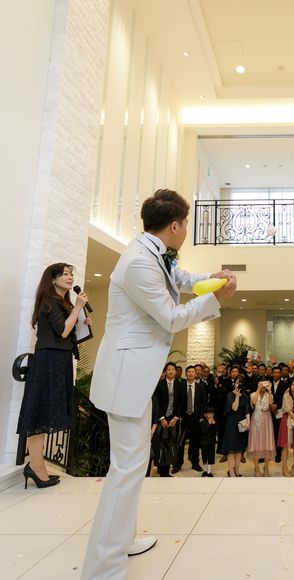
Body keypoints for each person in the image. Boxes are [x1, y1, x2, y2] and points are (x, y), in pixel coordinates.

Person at [81, 189, 236, 580]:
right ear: (175, 225)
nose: (186, 230)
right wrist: (215, 299)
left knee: (133, 466)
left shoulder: (153, 251)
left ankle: (122, 540)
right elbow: (170, 317)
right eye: (186, 224)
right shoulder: (138, 261)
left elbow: (180, 278)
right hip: (126, 377)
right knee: (126, 470)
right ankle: (102, 568)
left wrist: (212, 280)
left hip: (137, 375)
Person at [17, 263, 90, 488]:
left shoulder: (62, 302)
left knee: (45, 412)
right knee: (39, 412)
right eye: (65, 274)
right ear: (52, 279)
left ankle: (37, 466)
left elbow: (67, 333)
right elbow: (63, 331)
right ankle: (36, 466)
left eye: (71, 274)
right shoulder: (49, 302)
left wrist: (81, 322)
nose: (70, 278)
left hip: (59, 360)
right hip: (48, 361)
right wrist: (77, 309)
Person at [153, 362, 186, 477]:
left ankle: (166, 471)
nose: (171, 371)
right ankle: (161, 469)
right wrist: (161, 418)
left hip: (173, 419)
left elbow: (181, 402)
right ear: (165, 372)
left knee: (171, 444)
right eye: (168, 369)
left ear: (176, 372)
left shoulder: (180, 384)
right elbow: (156, 402)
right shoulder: (159, 384)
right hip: (161, 418)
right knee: (161, 443)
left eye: (173, 369)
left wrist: (176, 417)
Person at [178, 364, 208, 473]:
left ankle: (195, 463)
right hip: (183, 419)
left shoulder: (200, 387)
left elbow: (203, 402)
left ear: (195, 374)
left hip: (196, 418)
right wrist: (178, 416)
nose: (191, 373)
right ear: (186, 374)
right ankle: (178, 463)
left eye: (192, 372)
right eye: (189, 372)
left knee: (195, 442)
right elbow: (178, 402)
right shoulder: (181, 385)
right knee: (180, 442)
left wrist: (201, 416)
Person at [222, 378, 251, 477]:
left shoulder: (245, 396)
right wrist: (237, 396)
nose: (239, 384)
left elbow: (247, 410)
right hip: (231, 424)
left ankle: (237, 471)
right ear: (234, 384)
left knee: (239, 450)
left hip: (241, 425)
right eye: (237, 382)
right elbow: (234, 408)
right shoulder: (230, 395)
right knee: (231, 450)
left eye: (241, 383)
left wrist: (248, 422)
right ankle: (231, 472)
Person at [247, 380, 276, 476]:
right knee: (255, 442)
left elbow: (271, 403)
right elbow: (254, 402)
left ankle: (266, 467)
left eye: (265, 384)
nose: (263, 386)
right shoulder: (253, 394)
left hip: (267, 418)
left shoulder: (269, 395)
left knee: (267, 442)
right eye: (262, 384)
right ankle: (256, 467)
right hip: (256, 418)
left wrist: (270, 390)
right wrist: (258, 389)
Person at [278, 379, 294, 476]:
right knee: (285, 446)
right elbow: (288, 410)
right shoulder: (286, 396)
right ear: (290, 386)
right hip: (287, 421)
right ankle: (284, 467)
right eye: (293, 385)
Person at [199, 407, 217, 477]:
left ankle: (209, 472)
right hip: (204, 443)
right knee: (205, 457)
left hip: (211, 443)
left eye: (212, 414)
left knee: (210, 457)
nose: (211, 415)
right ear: (205, 414)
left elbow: (216, 430)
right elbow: (204, 430)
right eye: (209, 414)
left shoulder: (214, 421)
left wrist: (214, 424)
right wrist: (209, 423)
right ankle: (205, 470)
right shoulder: (202, 421)